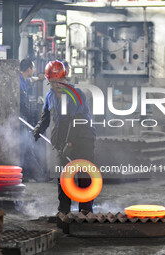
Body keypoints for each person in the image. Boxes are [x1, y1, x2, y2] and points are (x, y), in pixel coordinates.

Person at [33, 60, 96, 214]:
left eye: (60, 80)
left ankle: (86, 212)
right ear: (49, 81)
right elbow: (46, 118)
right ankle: (64, 211)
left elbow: (77, 122)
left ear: (65, 78)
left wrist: (70, 144)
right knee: (64, 177)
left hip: (83, 140)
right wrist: (38, 129)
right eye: (53, 82)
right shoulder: (50, 97)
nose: (57, 85)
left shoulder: (76, 95)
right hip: (64, 142)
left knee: (83, 176)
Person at [19, 58, 46, 181]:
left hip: (24, 118)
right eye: (33, 68)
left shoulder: (24, 79)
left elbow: (31, 80)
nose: (34, 70)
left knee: (26, 146)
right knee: (26, 146)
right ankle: (37, 176)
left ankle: (27, 175)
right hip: (20, 118)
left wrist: (41, 78)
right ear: (29, 68)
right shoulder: (18, 81)